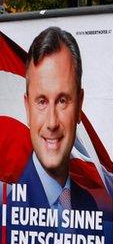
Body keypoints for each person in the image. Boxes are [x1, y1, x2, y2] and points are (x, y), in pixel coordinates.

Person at [20, 27, 98, 212]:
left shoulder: (90, 207)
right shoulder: (6, 212)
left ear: (79, 105)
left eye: (62, 100)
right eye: (41, 102)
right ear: (27, 107)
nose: (52, 122)